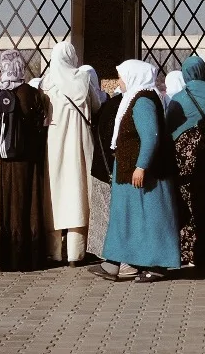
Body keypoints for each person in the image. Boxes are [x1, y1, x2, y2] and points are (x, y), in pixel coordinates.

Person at [97, 59, 179, 282]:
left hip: (143, 173)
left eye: (122, 77)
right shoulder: (135, 98)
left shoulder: (142, 102)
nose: (120, 82)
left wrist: (141, 166)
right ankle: (119, 261)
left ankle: (157, 264)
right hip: (129, 170)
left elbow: (150, 136)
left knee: (151, 219)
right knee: (131, 219)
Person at [0, 50, 51, 271]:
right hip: (23, 161)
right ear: (20, 67)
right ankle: (22, 256)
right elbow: (40, 127)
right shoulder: (32, 93)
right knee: (21, 204)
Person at [40, 40, 103, 265]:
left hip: (55, 142)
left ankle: (54, 251)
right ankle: (76, 253)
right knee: (78, 191)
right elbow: (96, 107)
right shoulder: (83, 80)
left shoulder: (47, 83)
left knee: (55, 193)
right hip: (80, 141)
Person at [167, 54, 205, 270]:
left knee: (188, 202)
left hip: (186, 161)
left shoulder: (178, 99)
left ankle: (189, 250)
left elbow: (169, 129)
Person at [87, 66, 121, 268]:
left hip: (99, 164)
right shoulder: (124, 103)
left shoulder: (109, 104)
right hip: (116, 167)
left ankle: (103, 253)